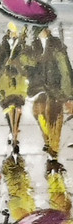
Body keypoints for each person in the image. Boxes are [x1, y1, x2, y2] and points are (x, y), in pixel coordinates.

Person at [0, 22, 32, 154]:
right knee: (9, 107)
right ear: (8, 33)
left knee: (17, 106)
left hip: (18, 80)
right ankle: (12, 131)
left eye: (16, 32)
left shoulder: (23, 47)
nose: (14, 34)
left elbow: (28, 63)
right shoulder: (2, 49)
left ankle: (14, 135)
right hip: (4, 81)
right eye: (12, 32)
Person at [27, 25, 73, 170]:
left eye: (42, 30)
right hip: (39, 88)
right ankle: (49, 141)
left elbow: (65, 69)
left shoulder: (56, 45)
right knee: (39, 113)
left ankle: (53, 150)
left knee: (55, 119)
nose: (40, 33)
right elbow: (28, 66)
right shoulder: (34, 46)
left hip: (55, 89)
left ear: (46, 30)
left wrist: (68, 94)